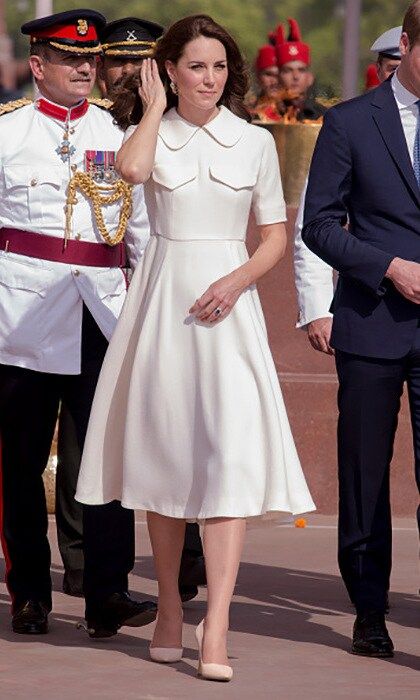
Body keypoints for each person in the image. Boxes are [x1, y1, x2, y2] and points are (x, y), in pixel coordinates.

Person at [76, 13, 315, 682]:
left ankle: (219, 622)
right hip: (164, 311)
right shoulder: (150, 132)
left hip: (229, 314)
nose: (208, 78)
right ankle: (174, 609)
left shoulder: (255, 142)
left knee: (230, 461)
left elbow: (272, 235)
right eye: (195, 66)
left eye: (217, 66)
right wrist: (153, 109)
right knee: (167, 459)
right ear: (170, 71)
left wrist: (237, 282)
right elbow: (130, 171)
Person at [0, 9, 157, 636]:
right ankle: (30, 591)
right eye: (70, 58)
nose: (85, 68)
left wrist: (150, 310)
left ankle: (106, 591)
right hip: (24, 318)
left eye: (89, 59)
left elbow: (141, 230)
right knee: (21, 458)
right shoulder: (8, 134)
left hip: (102, 312)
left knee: (107, 456)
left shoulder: (120, 132)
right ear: (38, 65)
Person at [56, 15, 206, 603]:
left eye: (141, 62)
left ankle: (188, 559)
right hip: (96, 302)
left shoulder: (184, 129)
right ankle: (83, 562)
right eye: (117, 61)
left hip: (169, 300)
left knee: (178, 429)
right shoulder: (82, 129)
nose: (128, 73)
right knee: (86, 436)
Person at [302, 0, 420, 658]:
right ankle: (368, 610)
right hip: (372, 324)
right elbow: (317, 223)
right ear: (406, 44)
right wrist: (388, 266)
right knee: (365, 475)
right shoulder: (350, 122)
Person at [294, 26, 402, 355]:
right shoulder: (351, 127)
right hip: (370, 304)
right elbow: (315, 224)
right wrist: (317, 307)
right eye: (392, 70)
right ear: (379, 69)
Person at [97, 17, 164, 98]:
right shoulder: (90, 111)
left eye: (138, 60)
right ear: (101, 68)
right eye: (119, 60)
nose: (128, 70)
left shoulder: (175, 110)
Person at [276, 18, 326, 122]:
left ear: (310, 78)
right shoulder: (268, 114)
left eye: (301, 70)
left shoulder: (325, 116)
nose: (295, 76)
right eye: (288, 70)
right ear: (278, 77)